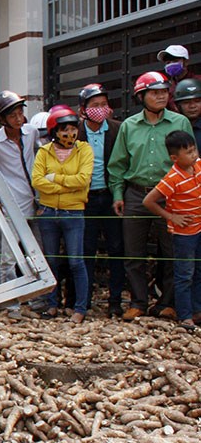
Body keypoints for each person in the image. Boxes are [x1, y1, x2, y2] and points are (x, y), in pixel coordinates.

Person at [108, 71, 191, 320]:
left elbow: (189, 162)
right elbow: (117, 165)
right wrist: (118, 194)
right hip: (136, 194)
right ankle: (138, 302)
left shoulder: (180, 122)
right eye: (155, 93)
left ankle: (166, 303)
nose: (161, 96)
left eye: (164, 92)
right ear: (141, 96)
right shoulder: (128, 126)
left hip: (171, 196)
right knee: (133, 253)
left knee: (171, 251)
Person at [32, 105, 93, 323]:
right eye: (63, 129)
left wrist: (54, 179)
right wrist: (68, 185)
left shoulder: (84, 149)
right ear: (54, 132)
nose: (69, 134)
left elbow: (83, 179)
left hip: (73, 212)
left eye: (72, 129)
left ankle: (80, 308)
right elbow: (37, 181)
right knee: (51, 260)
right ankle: (52, 304)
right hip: (48, 212)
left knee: (76, 261)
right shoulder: (44, 151)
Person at [0, 90, 39, 317]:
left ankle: (37, 299)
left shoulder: (32, 133)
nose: (18, 119)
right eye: (13, 115)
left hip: (36, 200)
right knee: (8, 258)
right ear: (2, 119)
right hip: (11, 203)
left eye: (20, 113)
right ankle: (12, 303)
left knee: (36, 253)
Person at [142, 131, 201, 331]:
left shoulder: (198, 166)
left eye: (194, 150)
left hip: (199, 227)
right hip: (184, 234)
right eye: (189, 152)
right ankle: (185, 316)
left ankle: (196, 309)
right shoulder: (172, 178)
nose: (193, 155)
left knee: (199, 270)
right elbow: (148, 201)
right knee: (185, 274)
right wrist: (171, 216)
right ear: (175, 158)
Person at [77, 84, 125, 317]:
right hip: (84, 200)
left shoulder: (118, 129)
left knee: (117, 248)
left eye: (103, 104)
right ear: (83, 110)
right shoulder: (74, 133)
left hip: (111, 197)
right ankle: (83, 301)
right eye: (94, 105)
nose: (100, 109)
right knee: (86, 249)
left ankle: (115, 300)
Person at [159, 45, 194, 111]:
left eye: (175, 61)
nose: (171, 64)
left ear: (186, 62)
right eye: (168, 62)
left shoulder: (198, 82)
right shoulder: (167, 87)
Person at [175, 78, 201, 145]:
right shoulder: (174, 127)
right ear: (178, 105)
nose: (192, 106)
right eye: (186, 102)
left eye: (197, 101)